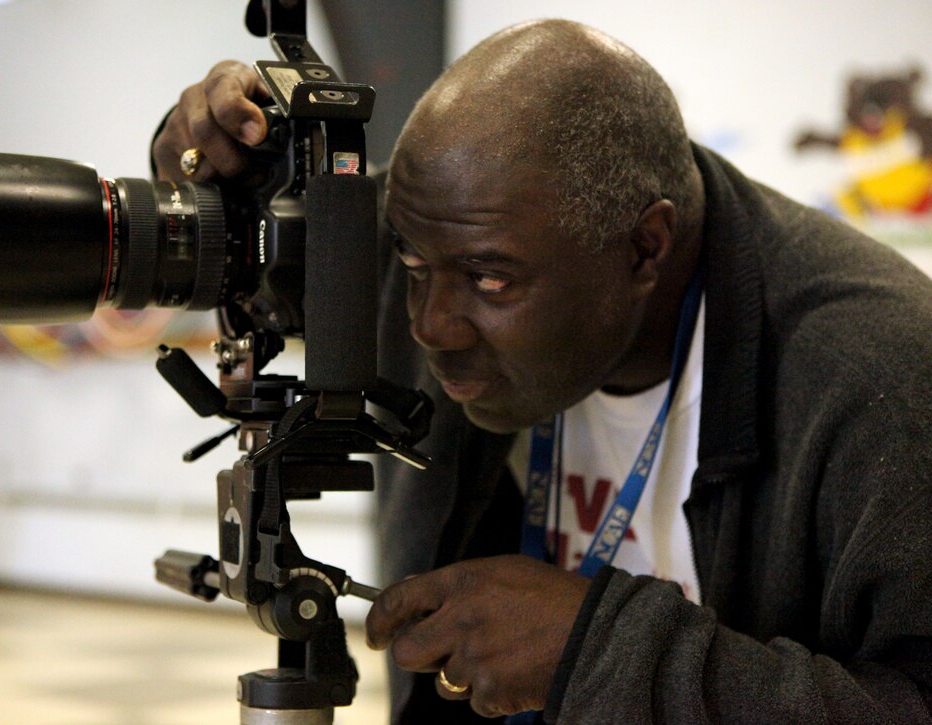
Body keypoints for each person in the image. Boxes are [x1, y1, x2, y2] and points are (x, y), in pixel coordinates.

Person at [153, 19, 932, 724]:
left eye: (492, 282)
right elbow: (255, 253)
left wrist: (601, 653)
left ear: (645, 248)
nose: (429, 324)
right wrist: (210, 161)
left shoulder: (879, 379)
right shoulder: (445, 225)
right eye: (412, 264)